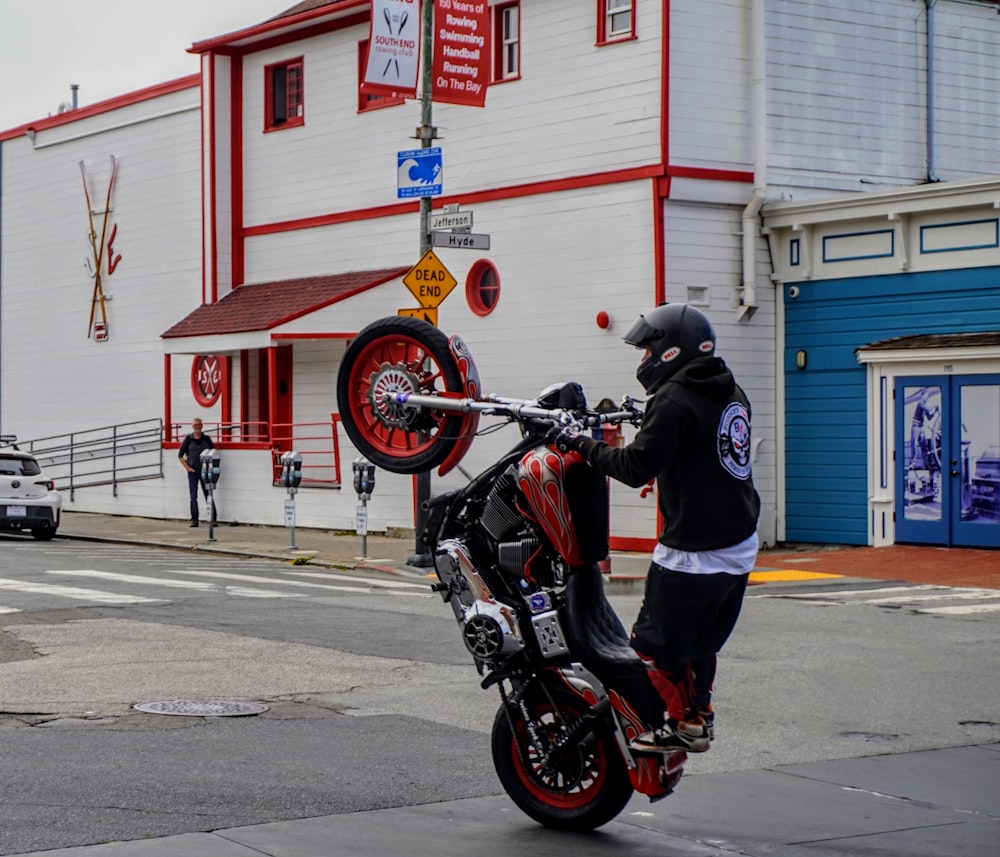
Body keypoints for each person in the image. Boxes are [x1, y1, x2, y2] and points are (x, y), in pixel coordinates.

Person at [555, 303, 760, 753]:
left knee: (651, 647)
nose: (643, 359)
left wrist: (580, 444)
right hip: (739, 542)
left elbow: (630, 465)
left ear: (670, 351)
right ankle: (700, 712)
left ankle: (685, 725)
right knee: (701, 642)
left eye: (647, 349)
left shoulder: (671, 399)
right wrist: (665, 476)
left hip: (694, 549)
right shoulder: (728, 390)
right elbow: (709, 451)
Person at [178, 418, 215, 527]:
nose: (197, 426)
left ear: (202, 426)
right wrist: (187, 468)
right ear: (192, 426)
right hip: (193, 471)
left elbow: (213, 452)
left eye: (199, 424)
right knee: (193, 496)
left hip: (205, 470)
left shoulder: (207, 439)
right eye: (195, 425)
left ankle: (212, 518)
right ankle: (194, 519)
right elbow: (180, 455)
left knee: (208, 494)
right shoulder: (188, 439)